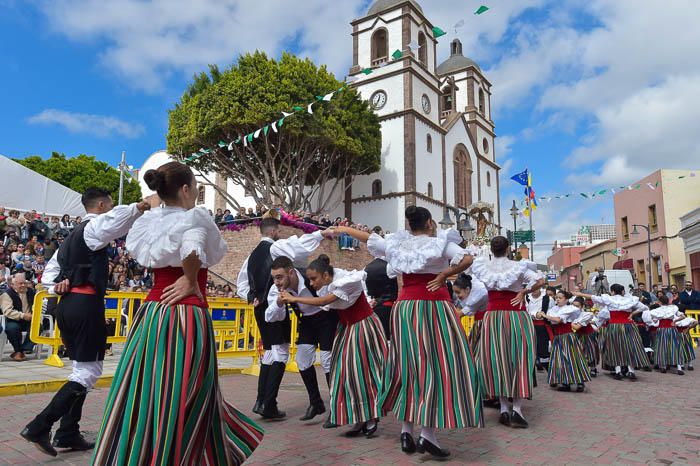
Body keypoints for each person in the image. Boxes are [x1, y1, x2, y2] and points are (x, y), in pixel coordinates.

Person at [91, 162, 263, 465]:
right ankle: (177, 455)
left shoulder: (150, 222)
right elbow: (193, 249)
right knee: (187, 391)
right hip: (184, 314)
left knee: (146, 387)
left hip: (152, 313)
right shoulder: (194, 217)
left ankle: (139, 452)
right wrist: (190, 277)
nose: (196, 191)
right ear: (185, 190)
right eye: (195, 186)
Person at [334, 206, 482, 459]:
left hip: (404, 309)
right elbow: (468, 259)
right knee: (437, 366)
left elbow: (368, 237)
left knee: (408, 365)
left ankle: (406, 430)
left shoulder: (397, 245)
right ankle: (427, 434)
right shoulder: (439, 244)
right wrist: (445, 273)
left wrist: (337, 229)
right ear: (428, 223)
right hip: (434, 307)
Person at [21, 188, 151, 457]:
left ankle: (69, 432)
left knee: (80, 369)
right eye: (110, 205)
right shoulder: (93, 227)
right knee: (87, 372)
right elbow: (114, 222)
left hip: (67, 305)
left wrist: (57, 285)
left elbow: (49, 274)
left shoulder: (71, 238)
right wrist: (140, 207)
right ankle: (39, 426)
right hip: (84, 304)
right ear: (102, 204)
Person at [279, 255, 389, 438]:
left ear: (326, 276)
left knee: (363, 373)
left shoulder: (347, 281)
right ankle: (358, 417)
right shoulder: (326, 285)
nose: (311, 283)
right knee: (345, 375)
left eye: (314, 279)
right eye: (310, 279)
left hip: (362, 327)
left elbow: (324, 301)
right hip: (347, 329)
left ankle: (371, 416)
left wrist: (294, 299)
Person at [236, 214, 331, 420]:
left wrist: (253, 297)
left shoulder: (250, 257)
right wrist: (321, 234)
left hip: (263, 307)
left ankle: (262, 401)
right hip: (275, 304)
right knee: (280, 352)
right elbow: (299, 247)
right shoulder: (275, 249)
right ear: (274, 232)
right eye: (278, 232)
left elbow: (241, 286)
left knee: (271, 352)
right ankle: (268, 403)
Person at [469, 236, 545, 429]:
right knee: (519, 359)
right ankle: (517, 410)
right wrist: (524, 292)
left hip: (492, 317)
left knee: (497, 359)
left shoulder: (482, 266)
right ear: (509, 248)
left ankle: (503, 408)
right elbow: (541, 280)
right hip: (515, 315)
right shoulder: (518, 267)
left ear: (492, 250)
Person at [266, 253, 339, 425]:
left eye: (279, 277)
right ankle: (316, 403)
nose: (276, 282)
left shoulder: (310, 277)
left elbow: (329, 298)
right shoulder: (277, 289)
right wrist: (278, 303)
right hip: (306, 322)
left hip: (326, 318)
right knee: (303, 360)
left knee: (328, 361)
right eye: (274, 278)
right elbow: (269, 317)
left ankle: (337, 408)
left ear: (291, 272)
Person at [573, 284, 650, 380]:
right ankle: (631, 371)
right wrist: (632, 314)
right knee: (630, 347)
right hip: (628, 325)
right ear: (622, 292)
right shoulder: (630, 300)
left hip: (614, 326)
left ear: (612, 291)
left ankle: (618, 371)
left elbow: (593, 297)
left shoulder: (609, 299)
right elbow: (645, 308)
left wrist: (580, 293)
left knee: (615, 347)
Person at [538, 290, 591, 392]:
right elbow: (552, 321)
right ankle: (565, 382)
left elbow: (558, 320)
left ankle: (580, 382)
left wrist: (544, 315)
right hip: (558, 337)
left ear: (566, 299)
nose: (557, 299)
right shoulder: (553, 309)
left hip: (568, 336)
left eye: (560, 297)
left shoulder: (570, 309)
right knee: (561, 360)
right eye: (557, 297)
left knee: (573, 358)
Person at [633, 295, 685, 375]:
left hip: (661, 329)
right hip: (672, 329)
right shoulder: (673, 308)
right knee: (675, 346)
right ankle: (679, 367)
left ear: (660, 302)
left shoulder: (656, 310)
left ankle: (663, 366)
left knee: (662, 347)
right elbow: (683, 316)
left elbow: (648, 319)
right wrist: (675, 321)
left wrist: (654, 321)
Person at [0, 274, 35, 361]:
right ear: (13, 284)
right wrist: (22, 315)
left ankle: (22, 350)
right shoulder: (7, 294)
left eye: (24, 283)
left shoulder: (31, 292)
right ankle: (18, 350)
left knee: (38, 326)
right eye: (20, 283)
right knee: (12, 328)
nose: (23, 285)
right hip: (14, 319)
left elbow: (37, 305)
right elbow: (7, 311)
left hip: (29, 319)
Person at [363, 256, 398, 340]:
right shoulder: (390, 266)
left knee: (377, 338)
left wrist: (370, 301)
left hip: (373, 307)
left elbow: (365, 289)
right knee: (389, 337)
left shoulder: (366, 268)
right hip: (389, 308)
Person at [526, 287, 553, 372]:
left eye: (535, 288)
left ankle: (551, 374)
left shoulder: (548, 298)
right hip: (529, 326)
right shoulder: (526, 297)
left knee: (544, 351)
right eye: (532, 288)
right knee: (530, 351)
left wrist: (544, 315)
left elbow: (551, 312)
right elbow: (525, 311)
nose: (533, 290)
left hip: (543, 327)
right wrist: (535, 314)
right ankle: (531, 378)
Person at [572, 296, 600, 377]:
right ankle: (581, 367)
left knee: (591, 351)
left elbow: (577, 326)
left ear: (582, 306)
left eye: (577, 306)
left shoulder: (586, 314)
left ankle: (593, 368)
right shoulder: (571, 313)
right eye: (573, 306)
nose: (575, 308)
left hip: (588, 334)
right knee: (579, 351)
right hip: (578, 334)